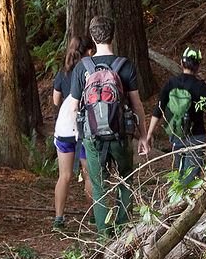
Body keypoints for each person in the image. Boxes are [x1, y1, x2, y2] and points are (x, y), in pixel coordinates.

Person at [67, 15, 147, 236]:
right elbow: (136, 104)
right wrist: (143, 136)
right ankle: (123, 232)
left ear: (93, 37)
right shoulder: (125, 65)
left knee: (99, 185)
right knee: (125, 180)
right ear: (113, 35)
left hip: (92, 137)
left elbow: (73, 107)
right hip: (120, 135)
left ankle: (105, 237)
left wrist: (79, 133)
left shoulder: (82, 68)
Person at [140, 47, 206, 183]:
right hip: (196, 137)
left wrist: (149, 134)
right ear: (198, 66)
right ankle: (186, 201)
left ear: (181, 63)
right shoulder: (200, 86)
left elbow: (158, 110)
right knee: (192, 177)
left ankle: (180, 199)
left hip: (176, 136)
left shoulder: (170, 84)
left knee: (181, 172)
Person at [50, 35, 92, 231]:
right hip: (84, 128)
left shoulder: (63, 74)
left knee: (64, 176)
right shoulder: (89, 73)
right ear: (89, 52)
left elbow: (56, 101)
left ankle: (59, 218)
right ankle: (93, 215)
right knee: (89, 175)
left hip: (64, 128)